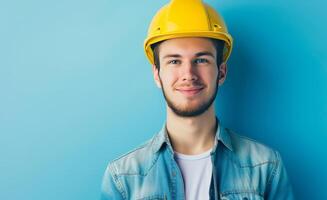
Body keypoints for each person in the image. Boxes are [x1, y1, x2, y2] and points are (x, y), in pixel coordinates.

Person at [100, 0, 294, 199]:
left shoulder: (265, 167)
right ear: (157, 75)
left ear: (222, 72)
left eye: (201, 60)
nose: (188, 74)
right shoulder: (122, 177)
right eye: (174, 61)